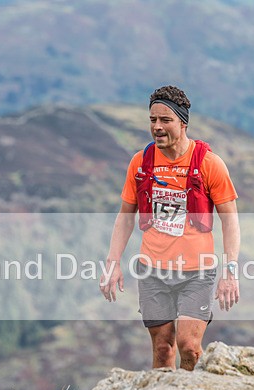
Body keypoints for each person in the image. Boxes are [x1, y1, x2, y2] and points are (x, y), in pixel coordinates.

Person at [99, 85, 240, 370]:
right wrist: (112, 263)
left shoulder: (210, 164)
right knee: (163, 349)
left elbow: (230, 220)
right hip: (153, 270)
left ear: (183, 122)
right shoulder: (141, 163)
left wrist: (230, 271)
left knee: (189, 346)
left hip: (197, 271)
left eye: (165, 120)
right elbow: (125, 216)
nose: (157, 127)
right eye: (153, 120)